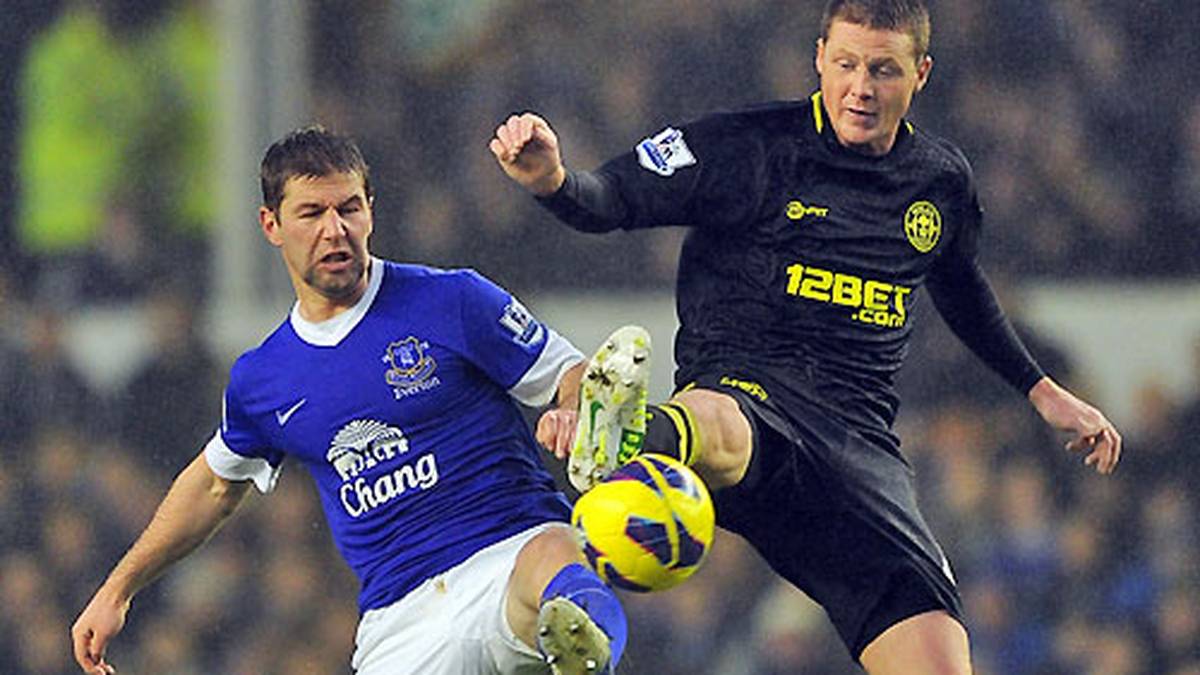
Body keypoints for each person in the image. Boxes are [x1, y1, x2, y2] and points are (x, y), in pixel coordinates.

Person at [490, 1, 1123, 673]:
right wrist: (553, 181)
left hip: (858, 448)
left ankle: (622, 433)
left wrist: (1042, 390)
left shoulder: (939, 180)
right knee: (727, 422)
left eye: (883, 70)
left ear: (921, 74)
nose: (861, 87)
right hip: (746, 391)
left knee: (939, 656)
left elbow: (959, 286)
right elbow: (613, 196)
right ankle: (628, 433)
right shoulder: (745, 147)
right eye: (846, 64)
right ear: (819, 56)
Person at [71, 126, 627, 675]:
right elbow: (215, 484)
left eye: (349, 209)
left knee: (560, 562)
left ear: (371, 213)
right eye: (312, 214)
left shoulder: (452, 299)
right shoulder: (264, 379)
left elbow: (572, 374)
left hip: (510, 554)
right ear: (272, 225)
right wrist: (117, 590)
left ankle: (587, 643)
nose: (335, 230)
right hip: (402, 619)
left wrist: (573, 410)